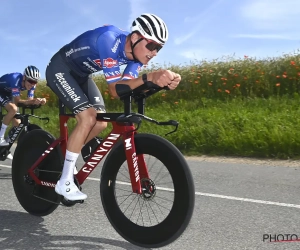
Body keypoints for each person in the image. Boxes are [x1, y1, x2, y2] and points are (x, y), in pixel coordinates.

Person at [46, 13, 181, 201]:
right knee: (88, 118)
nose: (154, 53)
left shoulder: (136, 58)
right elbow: (114, 90)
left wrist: (160, 82)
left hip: (82, 75)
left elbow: (126, 86)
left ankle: (67, 155)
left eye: (159, 48)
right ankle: (65, 181)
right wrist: (149, 77)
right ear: (135, 38)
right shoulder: (109, 40)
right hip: (60, 68)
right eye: (151, 45)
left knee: (100, 122)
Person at [0, 66, 47, 149]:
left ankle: (5, 149)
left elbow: (29, 101)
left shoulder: (32, 85)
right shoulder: (15, 79)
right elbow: (17, 102)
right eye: (30, 81)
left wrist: (39, 101)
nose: (32, 84)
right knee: (13, 109)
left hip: (8, 93)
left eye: (35, 82)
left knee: (17, 123)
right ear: (24, 77)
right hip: (1, 91)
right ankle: (0, 137)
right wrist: (32, 101)